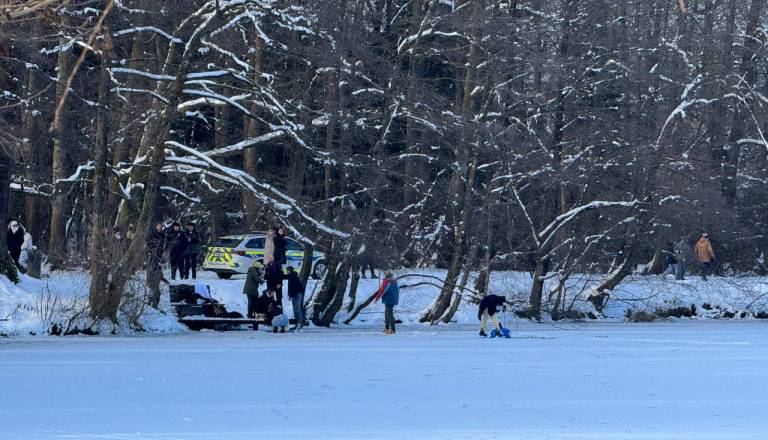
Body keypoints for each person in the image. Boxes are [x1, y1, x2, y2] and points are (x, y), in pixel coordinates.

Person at [146, 222, 168, 307]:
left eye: (161, 226)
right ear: (155, 226)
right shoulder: (151, 235)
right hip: (153, 260)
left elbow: (163, 248)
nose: (160, 227)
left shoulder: (162, 235)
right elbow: (149, 247)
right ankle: (151, 301)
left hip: (158, 259)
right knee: (152, 285)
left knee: (156, 284)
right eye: (158, 226)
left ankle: (154, 303)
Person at [284, 266, 305, 330]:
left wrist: (291, 295)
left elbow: (294, 288)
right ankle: (297, 323)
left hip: (297, 294)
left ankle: (299, 324)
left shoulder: (293, 277)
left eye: (287, 270)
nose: (286, 271)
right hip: (295, 294)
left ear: (290, 271)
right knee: (295, 310)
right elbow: (284, 277)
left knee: (297, 310)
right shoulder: (291, 276)